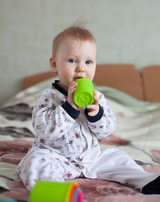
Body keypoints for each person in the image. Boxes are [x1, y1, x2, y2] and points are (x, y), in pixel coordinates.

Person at [17, 24, 160, 194]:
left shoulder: (97, 97)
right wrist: (69, 107)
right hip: (56, 157)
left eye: (88, 62)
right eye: (72, 60)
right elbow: (44, 130)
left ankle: (148, 181)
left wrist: (96, 114)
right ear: (54, 64)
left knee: (118, 158)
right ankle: (54, 192)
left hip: (91, 158)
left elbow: (106, 130)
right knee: (35, 162)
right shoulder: (48, 97)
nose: (81, 68)